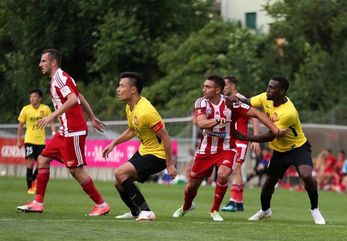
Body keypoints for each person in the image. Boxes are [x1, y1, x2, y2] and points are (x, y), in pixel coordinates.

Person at [172, 75, 283, 222]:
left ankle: (215, 210)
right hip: (206, 149)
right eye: (204, 86)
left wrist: (274, 130)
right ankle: (186, 206)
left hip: (226, 148)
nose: (203, 89)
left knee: (224, 174)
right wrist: (217, 120)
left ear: (218, 90)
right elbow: (201, 123)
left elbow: (256, 113)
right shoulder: (201, 102)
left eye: (207, 87)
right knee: (192, 186)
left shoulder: (231, 103)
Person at [17, 49, 110, 216]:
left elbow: (73, 99)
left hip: (73, 130)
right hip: (65, 130)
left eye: (43, 61)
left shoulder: (60, 78)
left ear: (53, 62)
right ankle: (38, 203)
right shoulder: (60, 78)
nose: (40, 64)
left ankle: (101, 204)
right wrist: (92, 117)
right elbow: (79, 95)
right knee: (42, 159)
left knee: (76, 170)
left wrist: (52, 115)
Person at [232, 76, 326, 224]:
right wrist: (234, 98)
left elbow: (270, 136)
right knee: (268, 184)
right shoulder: (265, 97)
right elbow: (248, 101)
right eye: (268, 86)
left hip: (298, 148)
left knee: (306, 175)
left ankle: (315, 209)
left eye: (272, 88)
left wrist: (244, 137)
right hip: (279, 151)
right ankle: (265, 210)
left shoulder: (288, 112)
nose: (268, 90)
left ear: (281, 92)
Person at [102, 72, 177, 221]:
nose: (118, 89)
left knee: (120, 173)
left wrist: (170, 164)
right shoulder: (130, 108)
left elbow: (166, 138)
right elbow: (131, 130)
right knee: (118, 182)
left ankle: (146, 211)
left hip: (158, 155)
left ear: (133, 90)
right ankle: (136, 211)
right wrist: (113, 143)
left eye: (122, 86)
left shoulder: (146, 111)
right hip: (144, 151)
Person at [221, 76, 261, 212]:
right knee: (234, 169)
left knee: (235, 168)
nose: (223, 88)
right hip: (230, 140)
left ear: (232, 86)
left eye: (225, 85)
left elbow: (255, 117)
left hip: (241, 140)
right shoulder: (225, 100)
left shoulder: (241, 99)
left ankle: (233, 201)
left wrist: (255, 138)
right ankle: (239, 203)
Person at [17, 89, 55, 194]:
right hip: (29, 139)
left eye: (34, 97)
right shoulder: (25, 109)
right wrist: (19, 140)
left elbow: (51, 120)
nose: (32, 99)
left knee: (42, 162)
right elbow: (20, 126)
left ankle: (33, 179)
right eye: (31, 97)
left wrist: (53, 132)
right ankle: (30, 187)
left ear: (39, 98)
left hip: (41, 141)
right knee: (30, 162)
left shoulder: (45, 109)